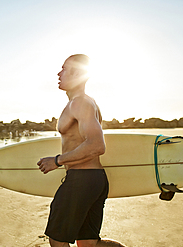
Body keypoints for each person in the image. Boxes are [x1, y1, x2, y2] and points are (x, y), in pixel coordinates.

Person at [37, 54, 125, 247]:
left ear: (77, 73)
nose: (59, 73)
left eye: (64, 68)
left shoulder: (80, 103)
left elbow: (96, 145)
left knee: (57, 240)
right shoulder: (83, 102)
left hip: (82, 180)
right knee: (87, 243)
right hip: (93, 180)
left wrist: (57, 160)